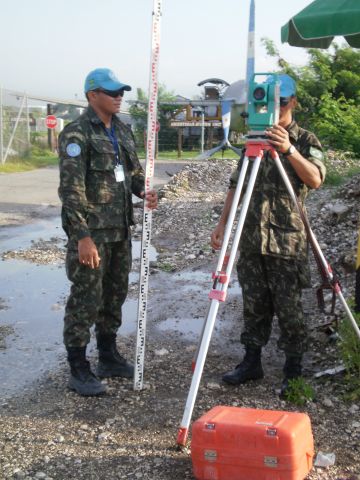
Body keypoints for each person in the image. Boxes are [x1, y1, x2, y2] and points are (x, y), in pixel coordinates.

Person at [211, 74, 326, 397]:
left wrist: (288, 149)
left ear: (294, 103)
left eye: (283, 103)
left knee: (289, 307)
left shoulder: (305, 139)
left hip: (286, 240)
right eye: (271, 104)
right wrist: (223, 224)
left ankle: (293, 368)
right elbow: (237, 184)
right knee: (254, 304)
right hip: (251, 239)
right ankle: (252, 361)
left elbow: (315, 179)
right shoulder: (253, 140)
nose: (277, 110)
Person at [58, 68, 158, 396]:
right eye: (112, 92)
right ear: (92, 95)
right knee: (87, 299)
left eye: (121, 92)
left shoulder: (123, 131)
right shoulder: (77, 134)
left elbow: (132, 174)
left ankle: (108, 356)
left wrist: (144, 191)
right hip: (93, 234)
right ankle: (78, 367)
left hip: (120, 231)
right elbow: (71, 190)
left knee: (114, 296)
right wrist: (82, 237)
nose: (119, 97)